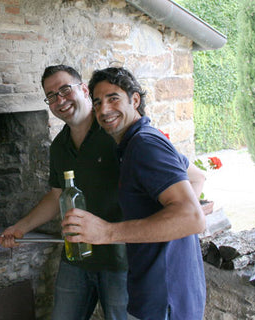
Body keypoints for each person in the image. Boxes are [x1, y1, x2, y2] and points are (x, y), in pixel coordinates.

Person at [61, 67, 207, 320]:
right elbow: (196, 178)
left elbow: (193, 218)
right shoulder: (139, 141)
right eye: (97, 103)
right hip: (164, 293)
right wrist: (172, 215)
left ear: (135, 100)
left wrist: (106, 232)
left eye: (113, 98)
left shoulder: (144, 145)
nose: (103, 110)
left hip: (165, 299)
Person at [0, 65, 129, 320]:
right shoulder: (59, 146)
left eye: (65, 90)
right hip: (76, 256)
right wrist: (20, 227)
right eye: (51, 95)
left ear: (83, 90)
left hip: (120, 260)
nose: (60, 100)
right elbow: (57, 195)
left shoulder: (114, 130)